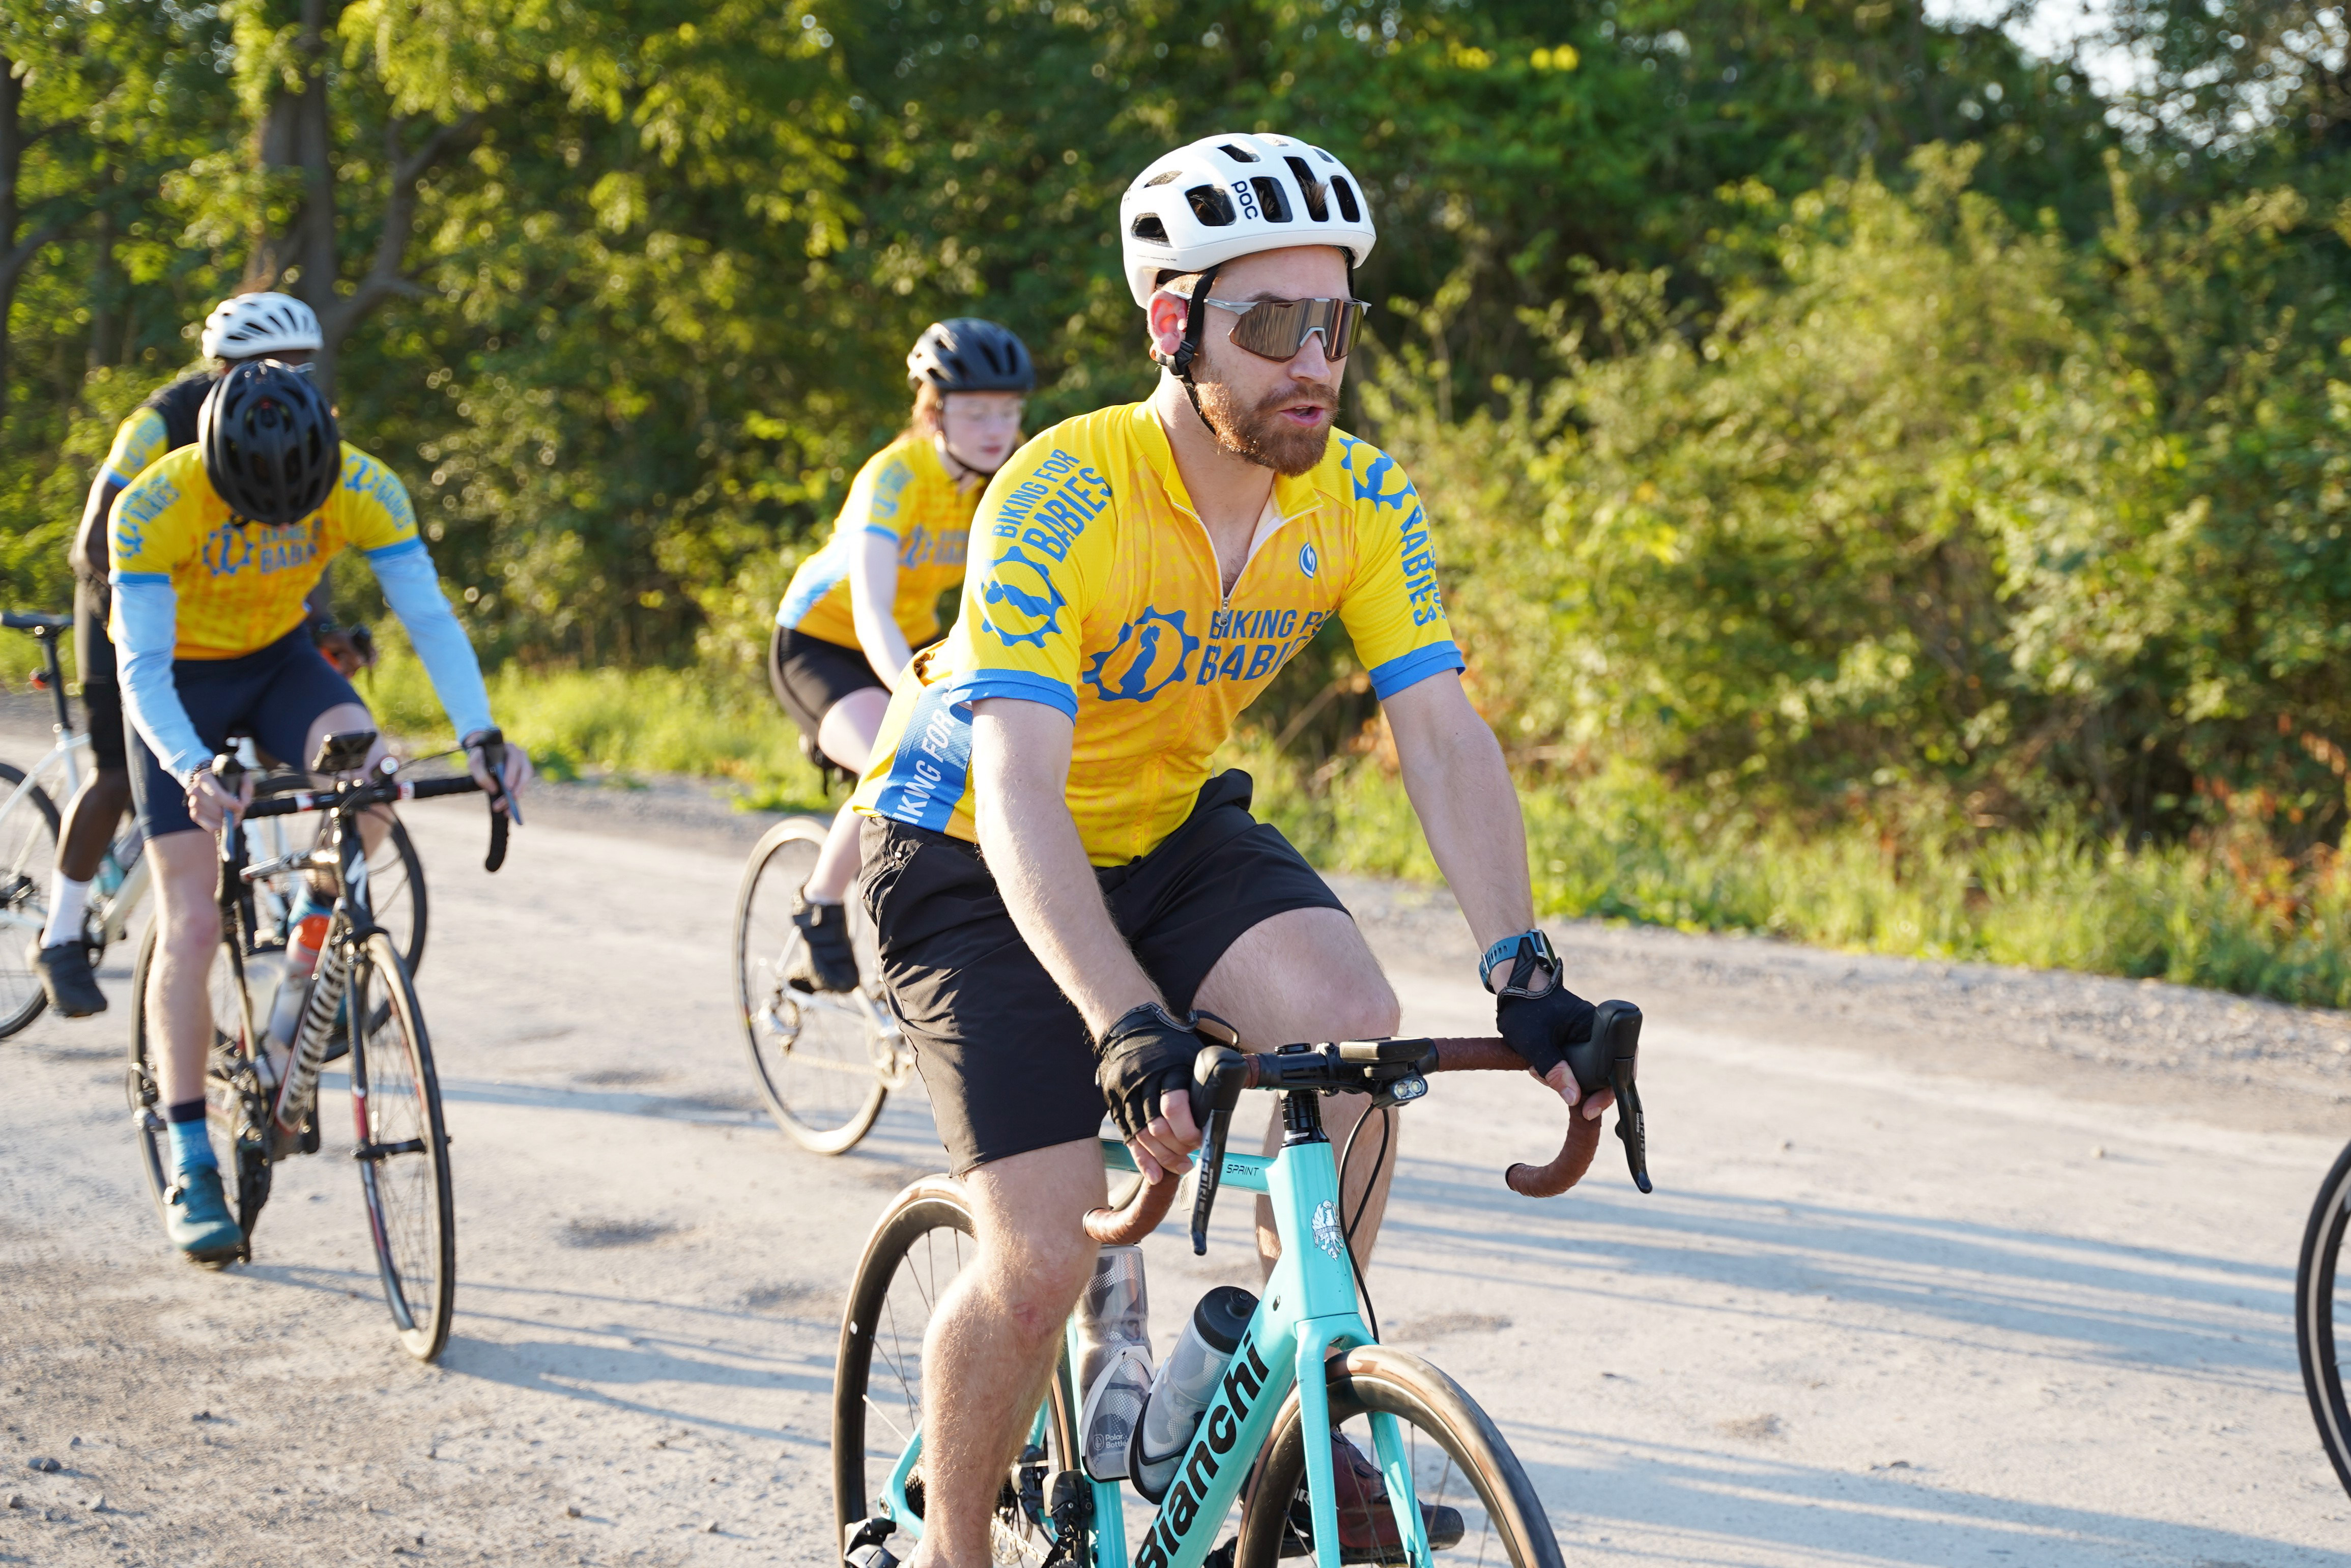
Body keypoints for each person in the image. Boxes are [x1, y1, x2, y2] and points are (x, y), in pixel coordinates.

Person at [844, 132, 1616, 1566]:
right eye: (1269, 326)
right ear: (1171, 325)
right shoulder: (1063, 493)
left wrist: (1523, 968)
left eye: (1333, 323)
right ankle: (949, 1546)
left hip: (1169, 826)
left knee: (1356, 1037)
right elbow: (1016, 787)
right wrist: (1123, 1019)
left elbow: (1440, 733)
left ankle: (1288, 1407)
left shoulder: (1363, 500)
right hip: (966, 850)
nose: (1310, 360)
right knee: (1043, 1257)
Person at [111, 358, 531, 1263]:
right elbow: (140, 671)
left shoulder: (364, 485)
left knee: (374, 780)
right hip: (178, 679)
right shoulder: (151, 505)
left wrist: (483, 736)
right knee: (188, 919)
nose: (275, 527)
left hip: (277, 663)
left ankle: (309, 934)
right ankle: (191, 1157)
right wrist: (191, 766)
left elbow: (428, 616)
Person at [34, 293, 372, 1017]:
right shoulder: (160, 420)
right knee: (120, 772)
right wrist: (172, 602)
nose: (290, 380)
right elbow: (93, 538)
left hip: (229, 623)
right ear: (222, 367)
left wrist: (324, 628)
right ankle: (61, 935)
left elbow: (285, 545)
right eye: (272, 364)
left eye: (302, 367)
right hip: (129, 604)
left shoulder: (298, 423)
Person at [767, 319, 1032, 993]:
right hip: (823, 640)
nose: (996, 429)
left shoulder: (1006, 474)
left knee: (972, 770)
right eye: (977, 413)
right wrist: (916, 700)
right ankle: (819, 905)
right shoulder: (894, 475)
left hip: (912, 642)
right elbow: (870, 611)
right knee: (903, 755)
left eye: (1008, 411)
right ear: (934, 410)